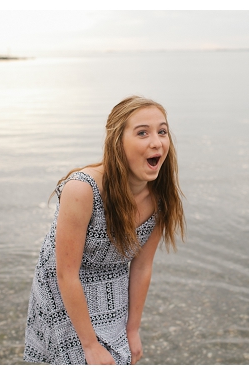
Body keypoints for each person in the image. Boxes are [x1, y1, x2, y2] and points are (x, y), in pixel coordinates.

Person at [24, 96, 185, 365]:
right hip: (64, 289)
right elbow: (66, 272)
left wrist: (133, 329)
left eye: (162, 131)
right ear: (117, 141)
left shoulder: (160, 198)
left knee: (120, 360)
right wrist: (89, 344)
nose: (156, 142)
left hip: (114, 289)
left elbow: (142, 268)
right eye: (142, 132)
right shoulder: (82, 189)